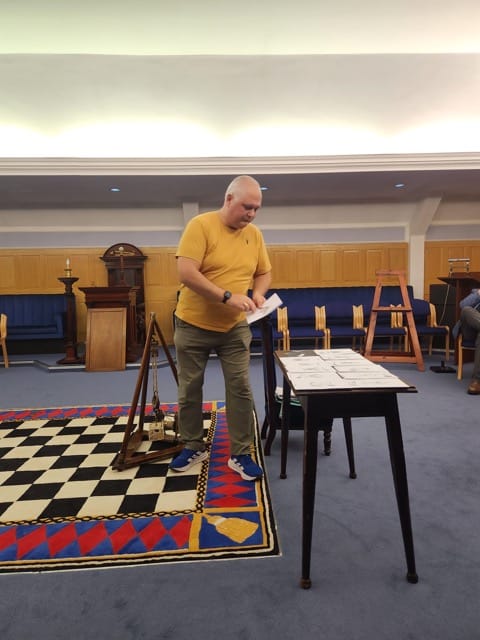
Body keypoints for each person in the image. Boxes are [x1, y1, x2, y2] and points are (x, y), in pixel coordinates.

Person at [169, 175, 272, 480]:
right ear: (229, 199)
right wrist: (227, 297)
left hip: (234, 328)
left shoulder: (254, 235)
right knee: (190, 388)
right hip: (193, 324)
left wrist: (258, 293)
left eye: (256, 208)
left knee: (240, 388)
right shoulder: (200, 226)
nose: (251, 214)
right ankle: (192, 445)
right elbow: (186, 273)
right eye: (246, 207)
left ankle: (241, 453)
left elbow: (264, 272)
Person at [456, 288, 480, 394]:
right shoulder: (476, 292)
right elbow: (462, 305)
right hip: (470, 330)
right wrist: (479, 294)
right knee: (466, 310)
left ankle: (477, 381)